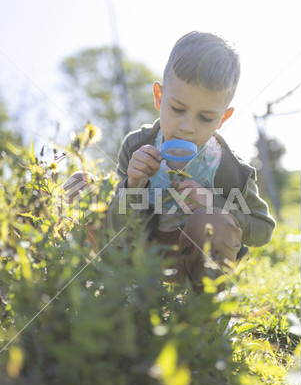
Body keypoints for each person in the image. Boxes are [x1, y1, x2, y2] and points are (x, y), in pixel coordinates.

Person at [67, 31, 276, 292]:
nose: (187, 126)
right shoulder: (136, 147)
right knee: (78, 185)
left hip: (188, 259)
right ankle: (104, 283)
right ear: (158, 96)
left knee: (215, 219)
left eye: (206, 118)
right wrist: (132, 185)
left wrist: (216, 204)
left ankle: (204, 306)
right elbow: (114, 226)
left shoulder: (229, 169)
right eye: (177, 109)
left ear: (223, 118)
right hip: (139, 252)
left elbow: (263, 229)